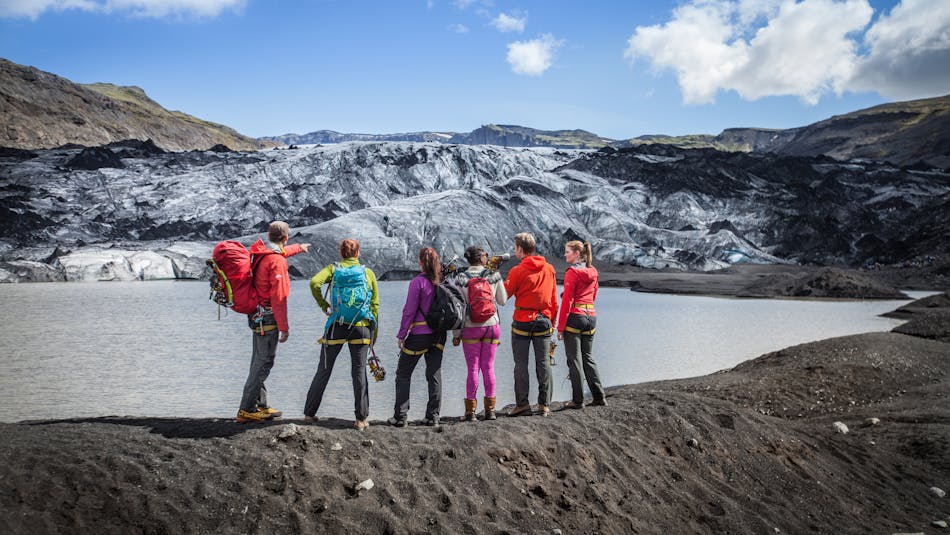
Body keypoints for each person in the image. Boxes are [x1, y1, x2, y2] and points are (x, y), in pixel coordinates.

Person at [237, 221, 310, 423]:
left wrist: (298, 248)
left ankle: (260, 404)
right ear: (285, 237)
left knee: (258, 360)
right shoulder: (276, 261)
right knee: (263, 362)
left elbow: (280, 254)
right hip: (268, 318)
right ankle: (246, 409)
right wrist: (284, 327)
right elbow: (279, 297)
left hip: (256, 315)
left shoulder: (262, 254)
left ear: (269, 236)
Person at [304, 238, 379, 430]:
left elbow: (314, 283)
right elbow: (375, 306)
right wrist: (374, 334)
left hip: (337, 324)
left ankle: (309, 414)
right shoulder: (367, 273)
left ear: (341, 253)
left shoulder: (333, 269)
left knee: (324, 368)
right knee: (359, 371)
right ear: (358, 253)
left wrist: (324, 305)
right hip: (361, 326)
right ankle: (361, 419)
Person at [389, 247, 447, 427]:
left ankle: (400, 417)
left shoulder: (417, 282)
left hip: (420, 335)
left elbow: (409, 311)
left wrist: (402, 334)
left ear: (420, 262)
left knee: (403, 374)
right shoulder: (442, 281)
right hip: (438, 335)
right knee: (434, 374)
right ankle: (433, 416)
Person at [504, 233, 558, 417]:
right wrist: (553, 323)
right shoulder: (549, 269)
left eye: (515, 247)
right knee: (543, 363)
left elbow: (504, 296)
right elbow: (553, 299)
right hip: (544, 320)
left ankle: (523, 404)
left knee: (521, 364)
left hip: (522, 320)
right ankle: (544, 405)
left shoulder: (517, 271)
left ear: (519, 249)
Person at [451, 245, 507, 421]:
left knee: (473, 369)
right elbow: (503, 301)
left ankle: (470, 412)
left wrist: (456, 335)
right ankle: (490, 410)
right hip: (492, 326)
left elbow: (457, 308)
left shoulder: (461, 277)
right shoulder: (493, 275)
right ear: (482, 257)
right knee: (488, 367)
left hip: (470, 327)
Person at [557, 241, 607, 409]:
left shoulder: (572, 272)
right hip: (591, 316)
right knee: (588, 357)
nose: (565, 255)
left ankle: (577, 400)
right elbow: (594, 294)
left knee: (574, 360)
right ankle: (599, 396)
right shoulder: (593, 271)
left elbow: (567, 301)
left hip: (575, 317)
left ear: (577, 254)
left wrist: (560, 327)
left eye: (567, 252)